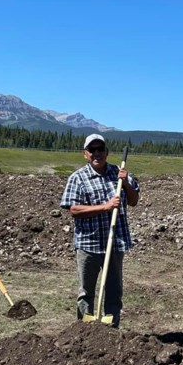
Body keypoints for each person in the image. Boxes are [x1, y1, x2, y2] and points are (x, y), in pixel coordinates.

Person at [60, 134, 140, 328]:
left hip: (115, 243)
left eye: (100, 149)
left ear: (106, 152)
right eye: (92, 150)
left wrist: (126, 182)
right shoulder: (78, 178)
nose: (97, 153)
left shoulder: (119, 173)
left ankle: (110, 332)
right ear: (85, 154)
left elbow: (133, 201)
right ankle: (85, 331)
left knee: (114, 291)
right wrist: (105, 207)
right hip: (89, 244)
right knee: (86, 292)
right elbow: (73, 209)